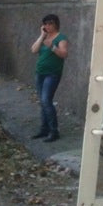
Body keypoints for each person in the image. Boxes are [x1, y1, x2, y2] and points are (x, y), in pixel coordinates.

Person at [30, 14, 69, 142]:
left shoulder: (61, 38)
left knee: (46, 101)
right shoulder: (44, 37)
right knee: (42, 102)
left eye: (50, 23)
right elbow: (34, 50)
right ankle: (44, 129)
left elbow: (64, 54)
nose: (47, 26)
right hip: (40, 73)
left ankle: (54, 131)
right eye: (45, 24)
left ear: (56, 24)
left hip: (52, 74)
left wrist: (52, 47)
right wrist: (42, 36)